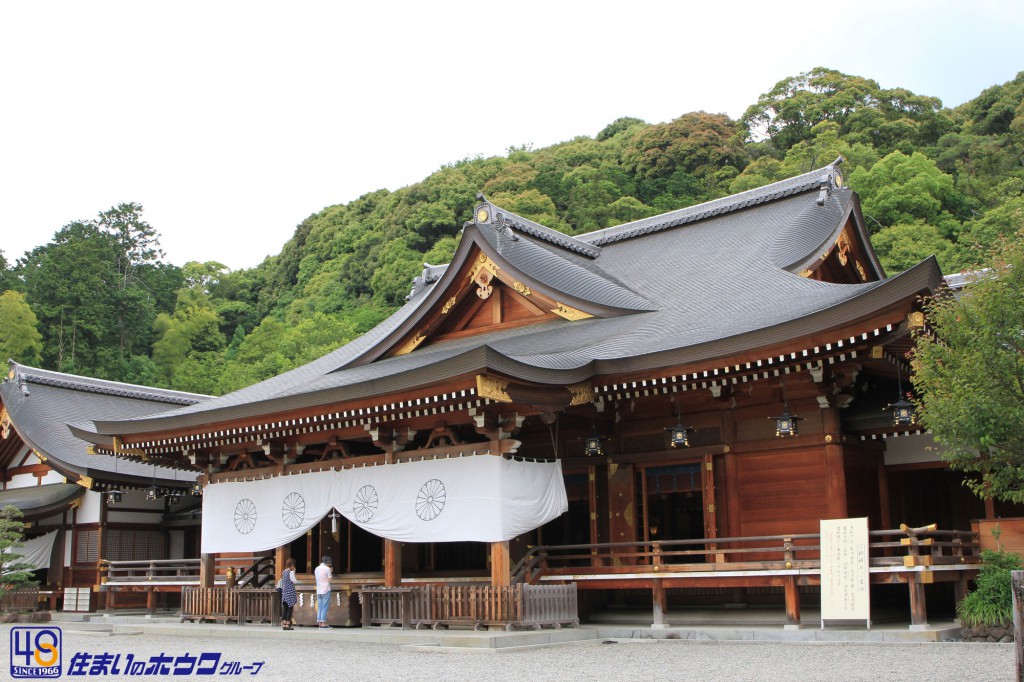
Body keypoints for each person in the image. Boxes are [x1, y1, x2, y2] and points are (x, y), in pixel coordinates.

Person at [314, 555, 332, 628]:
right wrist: (331, 572)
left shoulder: (316, 568)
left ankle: (319, 623)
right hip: (326, 589)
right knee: (324, 607)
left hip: (319, 589)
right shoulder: (327, 569)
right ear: (328, 563)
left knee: (320, 607)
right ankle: (323, 623)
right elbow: (330, 580)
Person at [280, 558, 297, 630]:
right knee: (290, 608)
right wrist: (294, 572)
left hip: (284, 592)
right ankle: (287, 624)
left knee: (285, 608)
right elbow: (294, 581)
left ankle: (284, 624)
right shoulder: (291, 572)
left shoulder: (284, 572)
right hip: (290, 592)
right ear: (292, 565)